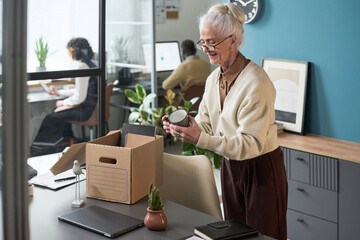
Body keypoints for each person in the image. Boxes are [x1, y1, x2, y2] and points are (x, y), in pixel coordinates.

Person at [162, 3, 288, 240]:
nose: (206, 48)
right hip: (231, 167)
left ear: (233, 40)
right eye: (203, 42)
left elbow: (249, 144)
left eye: (212, 42)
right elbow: (207, 122)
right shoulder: (213, 79)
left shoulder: (257, 82)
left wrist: (201, 138)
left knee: (265, 236)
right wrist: (187, 126)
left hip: (260, 168)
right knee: (235, 234)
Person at [33, 37, 98, 145]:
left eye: (69, 51)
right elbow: (80, 91)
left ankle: (43, 148)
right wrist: (59, 93)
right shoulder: (92, 64)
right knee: (59, 113)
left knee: (52, 117)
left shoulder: (82, 66)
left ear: (74, 51)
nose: (69, 55)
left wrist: (62, 102)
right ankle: (70, 141)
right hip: (90, 108)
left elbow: (79, 97)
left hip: (85, 111)